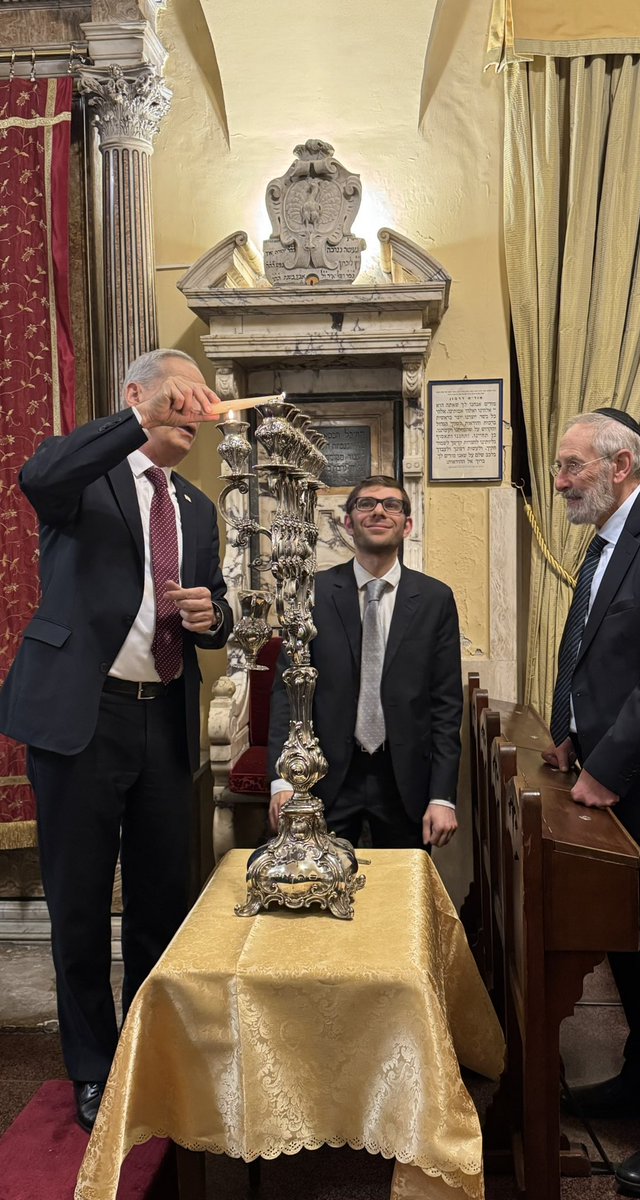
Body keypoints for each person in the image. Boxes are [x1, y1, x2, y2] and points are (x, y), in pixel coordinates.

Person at [0, 349, 233, 1133]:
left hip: (163, 717)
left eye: (199, 406)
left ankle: (148, 1047)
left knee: (164, 898)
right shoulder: (82, 480)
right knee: (80, 900)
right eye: (179, 398)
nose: (193, 415)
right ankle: (94, 1068)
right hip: (82, 716)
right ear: (136, 396)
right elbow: (37, 474)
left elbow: (218, 604)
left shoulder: (197, 508)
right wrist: (141, 418)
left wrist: (215, 617)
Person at [542, 409, 640, 1196]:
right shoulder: (606, 537)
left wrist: (609, 768)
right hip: (610, 775)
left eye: (569, 467)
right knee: (632, 945)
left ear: (619, 465)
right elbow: (585, 645)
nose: (559, 481)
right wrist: (568, 736)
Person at [267, 475, 463, 850]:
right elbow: (287, 694)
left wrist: (442, 796)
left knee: (402, 898)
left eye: (391, 505)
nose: (378, 511)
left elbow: (446, 705)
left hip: (404, 778)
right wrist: (283, 781)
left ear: (406, 525)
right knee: (314, 890)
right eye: (366, 504)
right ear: (347, 522)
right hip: (322, 777)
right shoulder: (313, 593)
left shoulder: (435, 599)